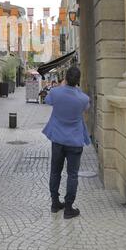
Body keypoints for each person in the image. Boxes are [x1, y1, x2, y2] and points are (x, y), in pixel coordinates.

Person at [42, 66, 91, 219]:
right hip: (75, 141)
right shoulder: (83, 98)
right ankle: (69, 207)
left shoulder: (56, 92)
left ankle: (55, 203)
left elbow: (47, 100)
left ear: (66, 78)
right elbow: (86, 108)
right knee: (73, 175)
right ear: (78, 81)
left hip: (57, 139)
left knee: (55, 171)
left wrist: (61, 86)